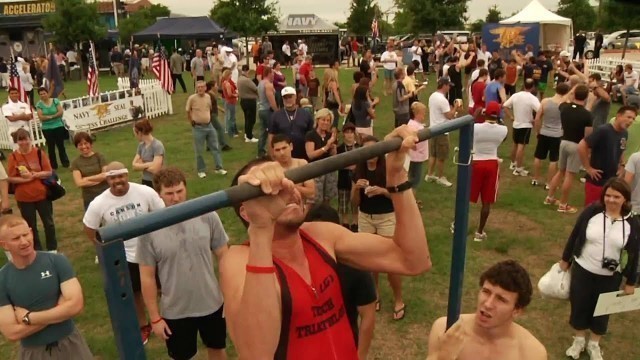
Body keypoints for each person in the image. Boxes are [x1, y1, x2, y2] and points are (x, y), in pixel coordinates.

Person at [222, 125, 430, 359]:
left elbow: (414, 260)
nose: (288, 190)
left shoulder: (321, 235)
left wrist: (397, 175)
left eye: (288, 182)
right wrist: (261, 228)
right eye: (272, 190)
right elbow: (255, 353)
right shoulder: (238, 259)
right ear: (246, 212)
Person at [138, 167, 229, 360]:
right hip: (176, 311)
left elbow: (224, 256)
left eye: (179, 191)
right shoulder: (149, 229)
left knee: (218, 349)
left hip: (212, 303)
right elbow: (146, 277)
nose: (176, 198)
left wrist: (229, 295)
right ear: (159, 194)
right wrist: (155, 318)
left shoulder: (208, 215)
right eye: (169, 194)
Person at [83, 161, 165, 345]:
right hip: (125, 255)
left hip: (152, 250)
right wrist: (102, 247)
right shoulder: (99, 203)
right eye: (112, 177)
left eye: (120, 176)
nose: (117, 181)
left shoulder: (145, 192)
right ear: (107, 180)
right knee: (134, 291)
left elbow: (162, 214)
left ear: (127, 175)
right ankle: (144, 325)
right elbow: (89, 228)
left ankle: (166, 317)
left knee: (162, 286)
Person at [560, 178, 638, 360]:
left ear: (625, 199)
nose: (611, 200)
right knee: (579, 305)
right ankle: (579, 340)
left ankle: (594, 344)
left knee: (602, 310)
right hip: (583, 269)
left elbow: (635, 254)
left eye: (616, 197)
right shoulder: (591, 212)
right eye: (608, 195)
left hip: (611, 276)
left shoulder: (632, 223)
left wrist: (631, 281)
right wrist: (565, 259)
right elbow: (575, 235)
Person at [0, 215, 93, 359]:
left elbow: (75, 306)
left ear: (31, 232)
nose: (24, 241)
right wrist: (59, 312)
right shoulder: (2, 279)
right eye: (16, 238)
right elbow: (12, 332)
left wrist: (29, 318)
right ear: (4, 245)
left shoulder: (57, 261)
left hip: (71, 345)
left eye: (25, 235)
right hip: (34, 353)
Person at [426, 260, 547, 360]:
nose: (488, 304)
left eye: (501, 299)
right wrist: (444, 357)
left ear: (517, 310)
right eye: (486, 292)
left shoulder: (531, 353)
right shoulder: (447, 330)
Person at [303, 204, 377, 360]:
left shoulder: (355, 267)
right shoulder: (297, 266)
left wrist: (360, 356)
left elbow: (368, 315)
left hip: (344, 348)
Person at [352, 136, 406, 321]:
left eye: (374, 151)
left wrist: (383, 191)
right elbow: (355, 204)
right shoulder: (359, 170)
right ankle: (374, 294)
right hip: (365, 217)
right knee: (370, 262)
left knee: (391, 263)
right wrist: (356, 190)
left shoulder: (388, 170)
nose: (371, 156)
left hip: (386, 218)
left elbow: (400, 199)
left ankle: (399, 299)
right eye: (367, 152)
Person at [7, 129, 57, 252]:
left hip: (42, 195)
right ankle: (36, 248)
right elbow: (11, 178)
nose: (24, 142)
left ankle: (52, 248)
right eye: (20, 140)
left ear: (30, 139)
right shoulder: (13, 157)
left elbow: (49, 172)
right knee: (30, 226)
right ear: (17, 142)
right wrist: (25, 180)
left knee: (49, 223)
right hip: (24, 197)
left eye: (26, 139)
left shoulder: (39, 153)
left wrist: (34, 175)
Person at [545, 85, 593, 214]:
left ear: (574, 94)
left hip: (564, 142)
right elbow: (588, 135)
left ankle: (550, 197)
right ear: (586, 97)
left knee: (560, 171)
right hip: (576, 145)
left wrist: (574, 88)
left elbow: (562, 100)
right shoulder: (587, 115)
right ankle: (563, 204)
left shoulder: (564, 108)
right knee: (570, 175)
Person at [579, 106, 636, 206]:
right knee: (592, 211)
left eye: (633, 119)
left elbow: (622, 150)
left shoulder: (624, 133)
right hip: (597, 180)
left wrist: (622, 166)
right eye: (628, 117)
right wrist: (588, 168)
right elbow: (582, 145)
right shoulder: (604, 130)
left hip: (612, 182)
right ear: (618, 116)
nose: (630, 121)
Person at [469, 102, 508, 242]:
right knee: (487, 201)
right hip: (491, 163)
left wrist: (476, 114)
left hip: (476, 162)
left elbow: (468, 126)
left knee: (466, 197)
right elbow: (504, 138)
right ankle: (479, 232)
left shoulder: (476, 127)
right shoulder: (503, 130)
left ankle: (457, 224)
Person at [425, 77, 462, 187]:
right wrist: (455, 108)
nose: (449, 87)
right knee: (441, 156)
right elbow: (449, 116)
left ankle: (430, 174)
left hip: (433, 129)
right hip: (442, 131)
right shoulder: (443, 100)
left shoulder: (432, 96)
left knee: (433, 154)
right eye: (448, 85)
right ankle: (441, 177)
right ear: (444, 85)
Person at [531, 83, 568, 188]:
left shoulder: (545, 101)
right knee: (553, 159)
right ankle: (549, 183)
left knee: (538, 156)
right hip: (557, 134)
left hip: (544, 132)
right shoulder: (565, 104)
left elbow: (537, 118)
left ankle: (535, 179)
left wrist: (537, 131)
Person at [187, 81, 227, 179]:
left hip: (209, 126)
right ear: (196, 88)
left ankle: (219, 168)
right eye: (198, 87)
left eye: (202, 87)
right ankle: (201, 170)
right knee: (199, 150)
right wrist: (191, 121)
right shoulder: (192, 98)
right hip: (198, 127)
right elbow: (188, 111)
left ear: (205, 88)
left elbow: (209, 109)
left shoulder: (208, 97)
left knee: (215, 147)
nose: (200, 89)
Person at [503, 79, 540, 176]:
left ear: (524, 85)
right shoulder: (532, 98)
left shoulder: (516, 95)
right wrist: (534, 119)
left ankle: (513, 163)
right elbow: (540, 110)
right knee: (521, 147)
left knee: (515, 144)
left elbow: (505, 106)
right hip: (526, 125)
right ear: (532, 87)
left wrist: (511, 117)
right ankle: (518, 169)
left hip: (516, 124)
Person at [268, 86, 314, 160]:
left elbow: (311, 135)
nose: (288, 100)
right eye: (285, 98)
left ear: (295, 97)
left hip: (303, 155)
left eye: (290, 97)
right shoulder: (276, 116)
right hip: (283, 155)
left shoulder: (305, 114)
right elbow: (271, 137)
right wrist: (272, 156)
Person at [305, 108, 338, 205]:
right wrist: (326, 146)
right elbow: (310, 155)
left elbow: (333, 155)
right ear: (317, 120)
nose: (326, 123)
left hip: (329, 170)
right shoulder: (311, 135)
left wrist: (333, 148)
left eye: (328, 120)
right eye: (323, 120)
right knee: (315, 199)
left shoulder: (330, 135)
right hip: (316, 171)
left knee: (328, 198)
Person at [271, 134, 315, 202]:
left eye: (284, 148)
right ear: (273, 152)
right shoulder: (271, 169)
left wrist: (290, 186)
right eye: (277, 150)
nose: (282, 153)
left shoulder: (301, 164)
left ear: (291, 146)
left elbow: (311, 193)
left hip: (299, 208)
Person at [70, 132, 108, 210]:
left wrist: (86, 179)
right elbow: (79, 183)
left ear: (90, 144)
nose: (83, 146)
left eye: (86, 143)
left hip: (105, 194)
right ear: (77, 146)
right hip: (89, 198)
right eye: (80, 144)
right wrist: (98, 179)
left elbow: (105, 175)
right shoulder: (75, 162)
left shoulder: (100, 156)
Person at [36, 87, 68, 170]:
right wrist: (53, 116)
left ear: (47, 93)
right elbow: (41, 117)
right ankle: (53, 165)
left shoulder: (55, 101)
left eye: (44, 93)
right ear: (39, 95)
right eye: (41, 94)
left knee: (61, 145)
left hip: (58, 125)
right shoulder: (39, 105)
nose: (43, 95)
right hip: (47, 128)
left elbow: (60, 112)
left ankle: (65, 163)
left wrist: (50, 117)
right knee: (51, 146)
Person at [337, 123, 359, 230]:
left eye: (351, 132)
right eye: (347, 132)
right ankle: (345, 224)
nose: (349, 135)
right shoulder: (340, 148)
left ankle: (355, 223)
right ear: (344, 134)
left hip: (356, 179)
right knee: (343, 204)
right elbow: (337, 163)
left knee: (355, 203)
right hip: (343, 179)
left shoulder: (359, 147)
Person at [406, 102, 429, 208]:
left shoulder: (411, 124)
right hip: (416, 158)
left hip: (412, 156)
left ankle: (411, 199)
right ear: (416, 114)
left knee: (411, 177)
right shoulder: (417, 128)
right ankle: (411, 203)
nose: (424, 116)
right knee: (415, 181)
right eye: (423, 113)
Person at [132, 119, 164, 187]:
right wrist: (150, 164)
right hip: (145, 180)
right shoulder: (141, 146)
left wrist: (142, 165)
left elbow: (155, 169)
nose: (135, 136)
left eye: (135, 133)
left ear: (140, 133)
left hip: (156, 181)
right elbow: (134, 166)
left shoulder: (157, 145)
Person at [257, 66, 279, 157]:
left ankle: (261, 150)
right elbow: (271, 100)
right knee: (272, 131)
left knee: (263, 131)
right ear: (269, 73)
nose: (274, 75)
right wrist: (277, 111)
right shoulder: (268, 85)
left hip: (261, 109)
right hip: (267, 111)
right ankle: (272, 150)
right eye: (273, 73)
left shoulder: (260, 83)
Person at [238, 65, 259, 143]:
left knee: (247, 118)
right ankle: (249, 137)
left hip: (243, 100)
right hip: (250, 101)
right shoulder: (247, 80)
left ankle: (247, 133)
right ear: (247, 71)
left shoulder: (239, 79)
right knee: (251, 119)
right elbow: (255, 88)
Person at [221, 69, 239, 138]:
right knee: (231, 118)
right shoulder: (227, 84)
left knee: (230, 117)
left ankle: (231, 131)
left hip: (228, 101)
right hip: (231, 102)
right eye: (230, 74)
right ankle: (231, 133)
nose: (231, 76)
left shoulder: (224, 83)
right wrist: (236, 95)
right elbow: (229, 94)